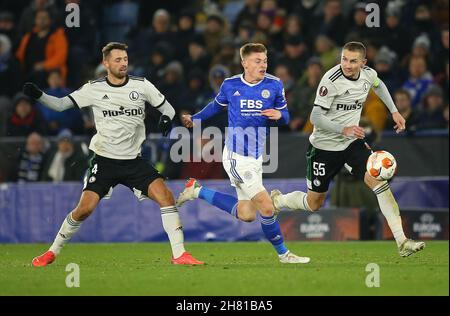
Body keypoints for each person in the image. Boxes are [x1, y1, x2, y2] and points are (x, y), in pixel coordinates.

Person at [22, 42, 203, 267]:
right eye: (117, 60)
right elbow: (60, 105)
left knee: (165, 197)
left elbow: (168, 107)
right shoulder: (93, 89)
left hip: (134, 161)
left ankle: (179, 255)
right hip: (105, 160)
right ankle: (52, 252)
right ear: (106, 63)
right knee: (84, 209)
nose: (123, 63)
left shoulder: (142, 85)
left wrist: (166, 117)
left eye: (125, 59)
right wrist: (39, 95)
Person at [270, 42, 425, 257]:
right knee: (314, 203)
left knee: (379, 183)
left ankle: (402, 241)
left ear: (363, 63)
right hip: (323, 148)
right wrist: (344, 129)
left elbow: (379, 85)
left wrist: (395, 111)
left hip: (351, 144)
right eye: (344, 59)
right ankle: (279, 201)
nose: (347, 65)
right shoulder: (330, 81)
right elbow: (315, 117)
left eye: (353, 61)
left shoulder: (368, 75)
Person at [177, 43, 310, 264]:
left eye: (265, 61)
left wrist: (279, 115)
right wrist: (195, 118)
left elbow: (286, 115)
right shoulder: (231, 85)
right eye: (257, 61)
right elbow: (215, 106)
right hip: (236, 157)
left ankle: (197, 191)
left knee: (247, 214)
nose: (263, 65)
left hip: (256, 157)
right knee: (267, 206)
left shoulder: (275, 85)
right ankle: (284, 254)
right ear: (244, 63)